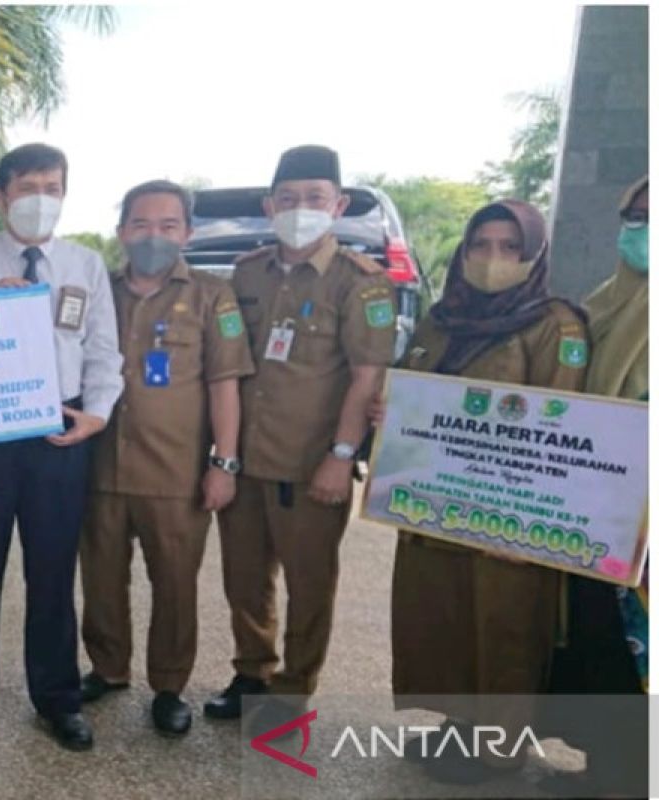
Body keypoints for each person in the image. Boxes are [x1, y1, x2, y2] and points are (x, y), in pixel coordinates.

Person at [386, 199, 589, 785]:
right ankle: (459, 724)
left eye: (509, 248)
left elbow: (566, 423)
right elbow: (411, 390)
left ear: (533, 255)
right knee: (441, 618)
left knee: (502, 625)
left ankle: (498, 751)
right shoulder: (442, 318)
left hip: (506, 515)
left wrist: (527, 522)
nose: (493, 259)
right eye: (481, 246)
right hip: (431, 505)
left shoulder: (555, 324)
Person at [0, 142, 124, 751]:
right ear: (1, 196)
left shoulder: (84, 264)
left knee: (52, 570)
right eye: (28, 188)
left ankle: (58, 696)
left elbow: (102, 348)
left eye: (53, 188)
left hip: (58, 430)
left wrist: (96, 414)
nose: (41, 200)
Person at [206, 145, 395, 727]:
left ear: (336, 205)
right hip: (247, 460)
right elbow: (229, 365)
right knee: (244, 578)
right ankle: (252, 672)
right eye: (288, 199)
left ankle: (292, 690)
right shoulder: (247, 274)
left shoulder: (361, 284)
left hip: (312, 463)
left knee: (309, 586)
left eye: (315, 198)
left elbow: (368, 378)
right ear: (269, 205)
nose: (300, 209)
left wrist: (342, 456)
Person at [78, 180, 252, 737]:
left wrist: (223, 463)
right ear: (123, 230)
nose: (154, 236)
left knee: (175, 584)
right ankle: (107, 668)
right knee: (101, 579)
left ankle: (170, 685)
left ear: (188, 233)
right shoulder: (96, 290)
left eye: (168, 225)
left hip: (175, 472)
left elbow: (225, 384)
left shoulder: (210, 295)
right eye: (142, 224)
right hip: (99, 467)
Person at [543, 176, 648, 797]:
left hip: (646, 517)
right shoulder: (604, 303)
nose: (641, 229)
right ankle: (606, 769)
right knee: (599, 640)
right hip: (595, 508)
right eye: (633, 215)